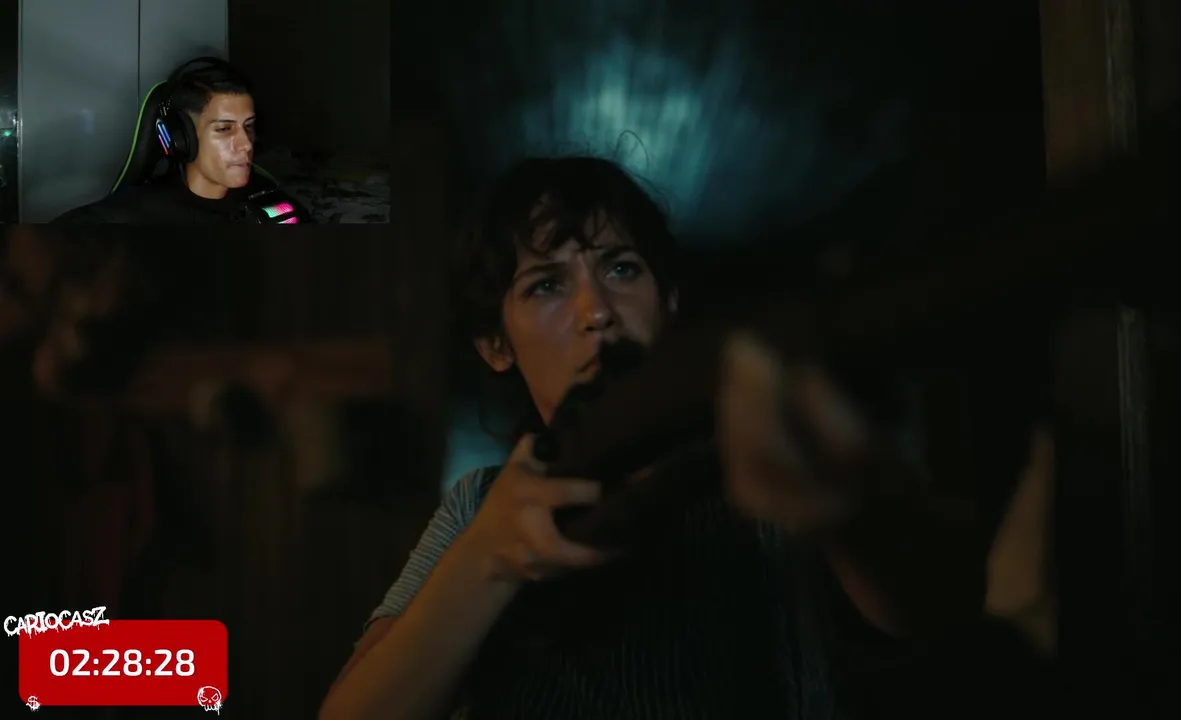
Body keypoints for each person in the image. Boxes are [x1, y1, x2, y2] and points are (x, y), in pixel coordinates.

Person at [318, 157, 1053, 720]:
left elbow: (926, 616)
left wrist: (848, 496)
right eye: (545, 284)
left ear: (668, 304)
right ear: (495, 344)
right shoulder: (480, 504)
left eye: (621, 268)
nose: (596, 310)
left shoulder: (756, 474)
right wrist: (487, 558)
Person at [52, 59, 281, 224]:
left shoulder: (267, 194)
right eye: (224, 129)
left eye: (248, 126)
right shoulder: (137, 211)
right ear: (182, 138)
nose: (246, 144)